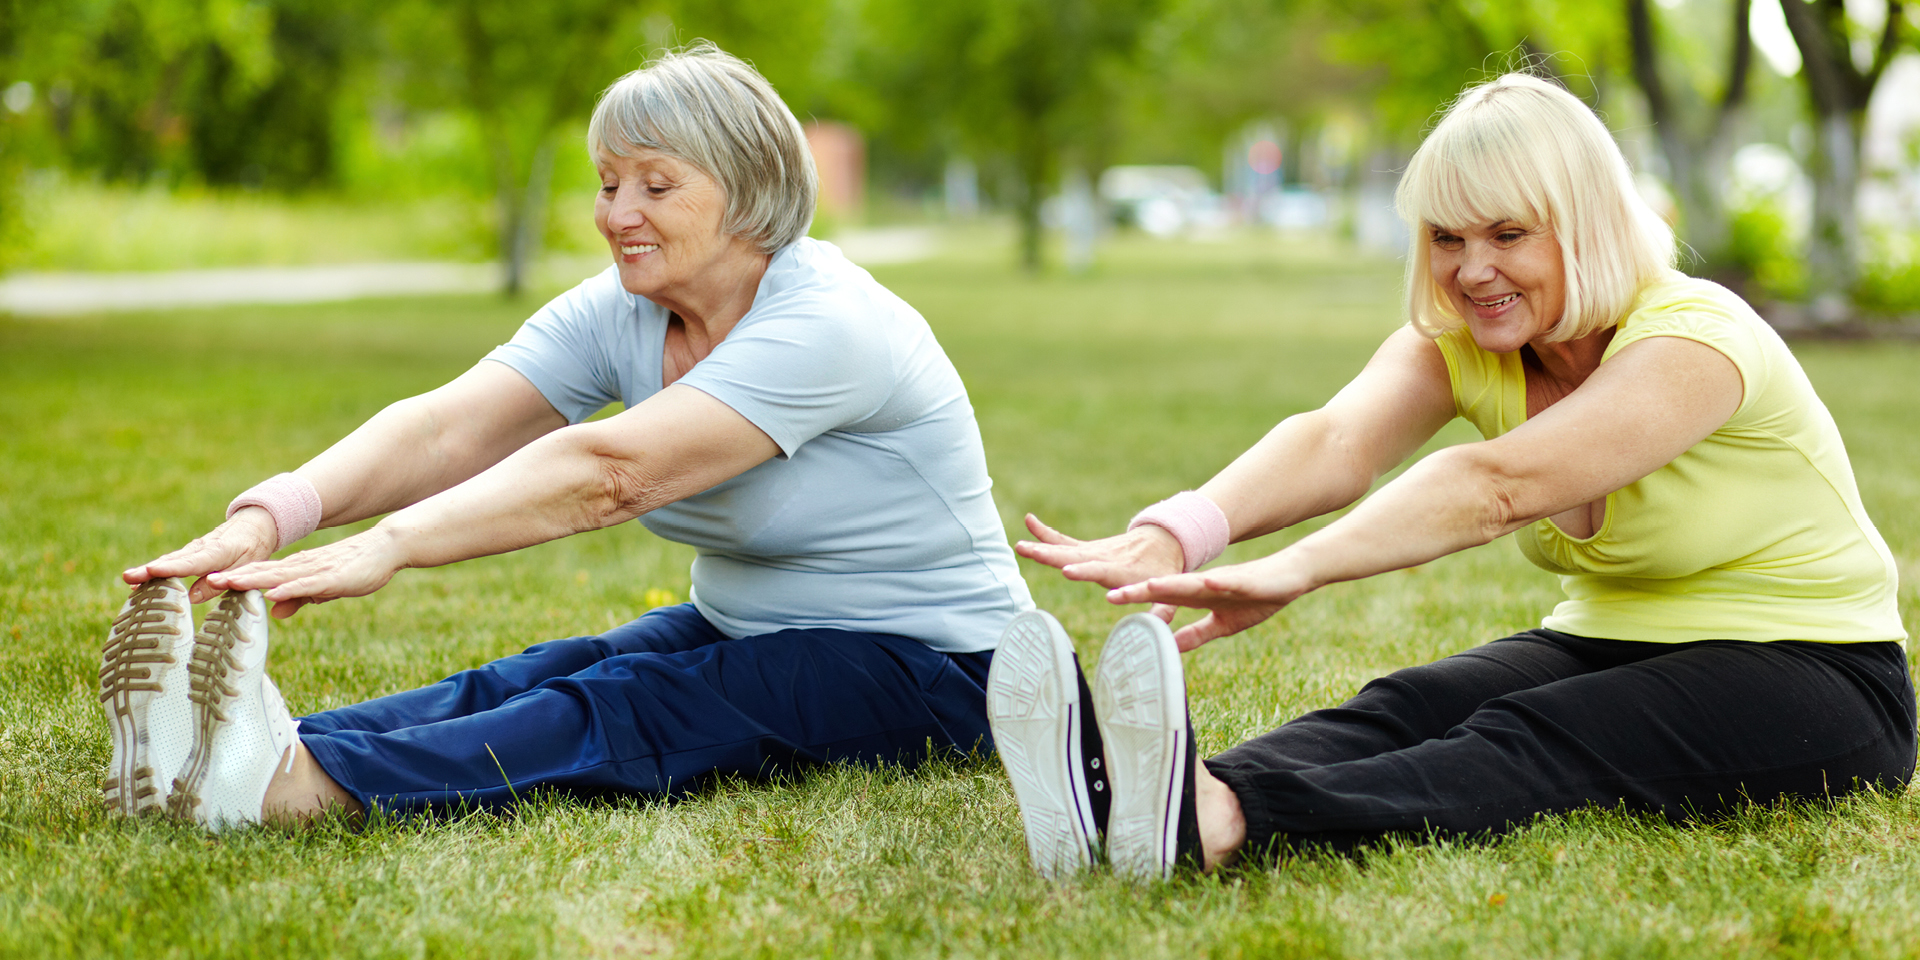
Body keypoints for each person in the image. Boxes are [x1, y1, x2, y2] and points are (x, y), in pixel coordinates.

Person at [986, 72, 1913, 881]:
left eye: (1507, 233)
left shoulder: (1697, 337)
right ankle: (1132, 801)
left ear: (1582, 226)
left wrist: (1297, 568)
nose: (1472, 271)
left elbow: (1496, 483)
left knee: (1529, 742)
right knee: (1408, 705)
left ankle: (1224, 821)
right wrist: (1182, 530)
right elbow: (1338, 437)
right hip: (1613, 637)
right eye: (1446, 237)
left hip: (1813, 672)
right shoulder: (1466, 344)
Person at [103, 44, 1032, 828]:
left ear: (751, 192)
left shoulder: (830, 323)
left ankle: (303, 788)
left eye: (656, 185)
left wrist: (389, 546)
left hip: (945, 669)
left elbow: (610, 474)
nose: (617, 214)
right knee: (541, 675)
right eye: (608, 183)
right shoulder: (624, 308)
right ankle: (241, 749)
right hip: (752, 622)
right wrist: (275, 516)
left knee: (631, 704)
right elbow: (449, 426)